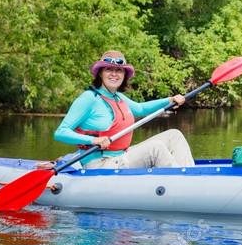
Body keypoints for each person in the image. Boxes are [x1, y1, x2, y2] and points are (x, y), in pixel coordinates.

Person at [54, 50, 194, 169]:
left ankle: (190, 176)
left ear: (124, 75)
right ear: (100, 73)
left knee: (174, 135)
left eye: (119, 70)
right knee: (155, 147)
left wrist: (169, 100)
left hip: (121, 156)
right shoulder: (89, 98)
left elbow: (140, 108)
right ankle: (181, 183)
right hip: (99, 164)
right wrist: (94, 141)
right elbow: (60, 133)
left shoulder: (118, 97)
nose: (114, 74)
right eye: (109, 69)